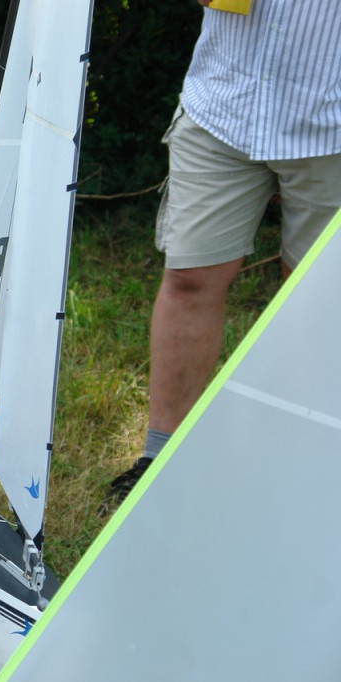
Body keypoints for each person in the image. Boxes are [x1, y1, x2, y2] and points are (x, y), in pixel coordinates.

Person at [108, 0, 341, 503]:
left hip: (331, 119)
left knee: (316, 304)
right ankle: (160, 463)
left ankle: (299, 470)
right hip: (224, 100)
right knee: (191, 278)